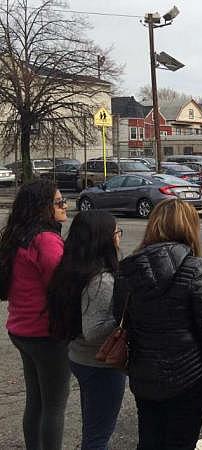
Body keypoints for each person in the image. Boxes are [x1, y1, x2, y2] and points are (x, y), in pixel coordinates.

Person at [113, 198, 202, 449]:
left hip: (144, 374)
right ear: (190, 228)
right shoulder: (197, 269)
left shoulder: (129, 269)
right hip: (188, 378)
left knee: (149, 440)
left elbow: (121, 319)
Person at [0, 179, 70, 449]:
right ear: (43, 207)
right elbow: (62, 284)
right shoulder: (46, 240)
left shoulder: (16, 236)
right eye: (58, 202)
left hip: (21, 329)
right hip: (46, 333)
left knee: (36, 400)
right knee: (54, 405)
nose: (64, 206)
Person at [47, 211, 125, 450]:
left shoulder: (70, 270)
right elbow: (95, 330)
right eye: (116, 233)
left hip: (79, 356)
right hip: (100, 363)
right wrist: (125, 320)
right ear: (103, 238)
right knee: (98, 435)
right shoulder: (101, 280)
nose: (119, 238)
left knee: (92, 426)